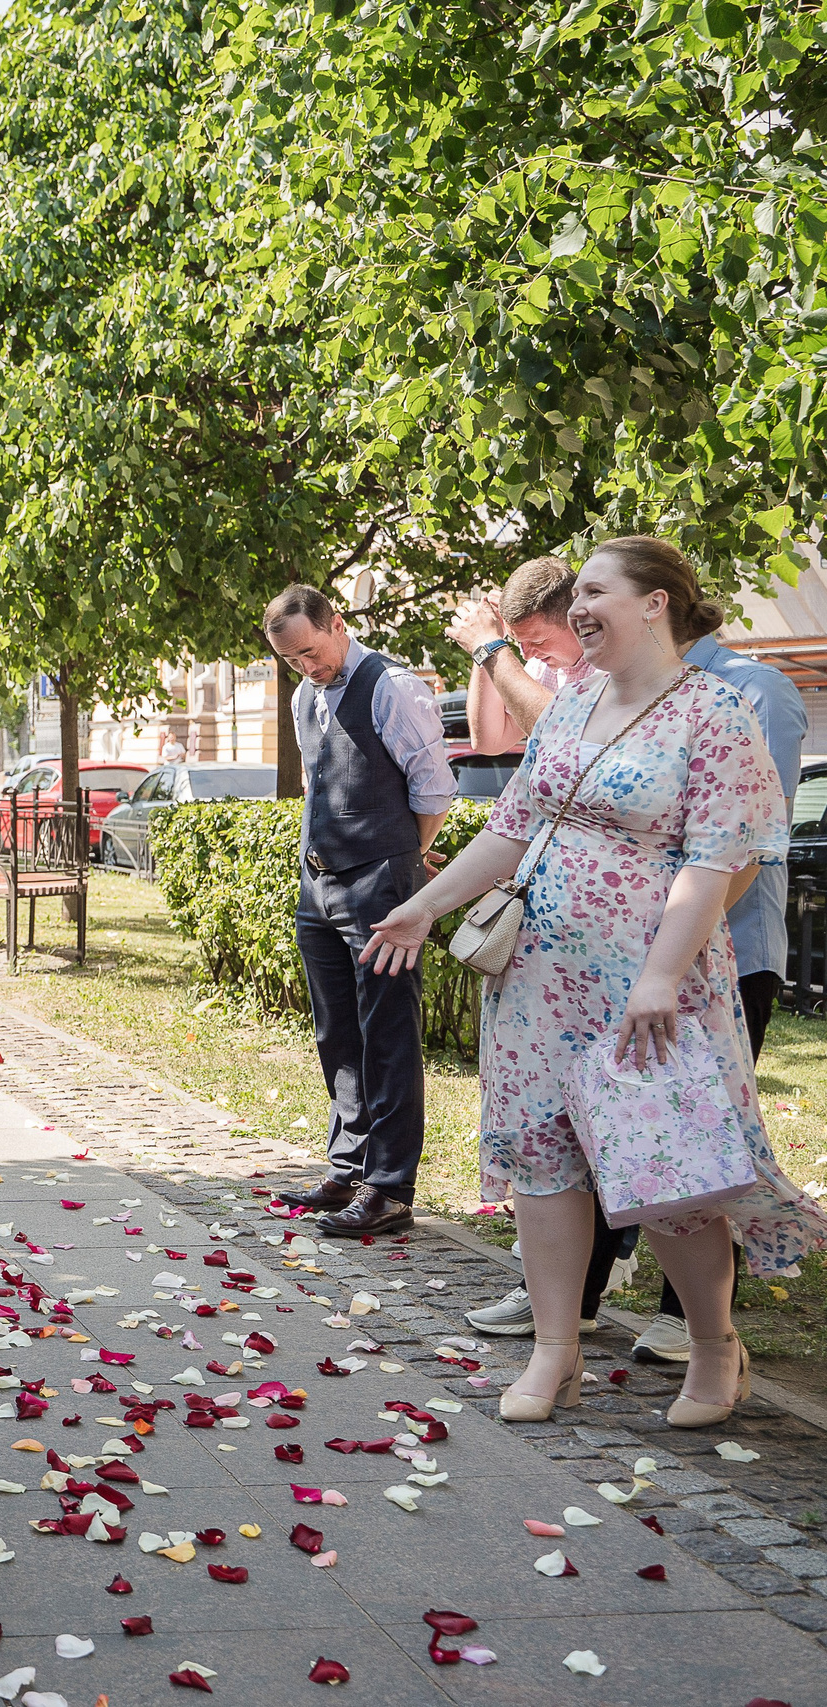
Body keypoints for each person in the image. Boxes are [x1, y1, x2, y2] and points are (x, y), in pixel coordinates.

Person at [364, 537, 827, 1428]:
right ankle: (555, 1354)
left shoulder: (716, 712)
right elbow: (512, 827)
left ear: (655, 603)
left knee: (665, 1176)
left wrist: (661, 973)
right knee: (542, 1163)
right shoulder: (572, 699)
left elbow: (714, 862)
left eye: (595, 591)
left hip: (650, 989)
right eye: (574, 593)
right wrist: (426, 905)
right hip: (542, 976)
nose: (577, 607)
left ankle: (713, 1349)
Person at [264, 585, 456, 1237]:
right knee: (336, 1031)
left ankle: (390, 1186)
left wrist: (405, 858)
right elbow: (320, 785)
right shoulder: (303, 697)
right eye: (294, 661)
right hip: (317, 883)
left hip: (379, 881)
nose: (308, 669)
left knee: (388, 1032)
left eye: (312, 653)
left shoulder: (394, 688)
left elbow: (433, 788)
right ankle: (347, 1167)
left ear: (337, 623)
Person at [447, 556, 598, 756]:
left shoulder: (608, 662)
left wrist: (490, 646)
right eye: (518, 641)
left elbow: (566, 733)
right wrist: (484, 643)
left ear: (573, 618)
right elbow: (490, 742)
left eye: (537, 642)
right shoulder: (541, 665)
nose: (527, 656)